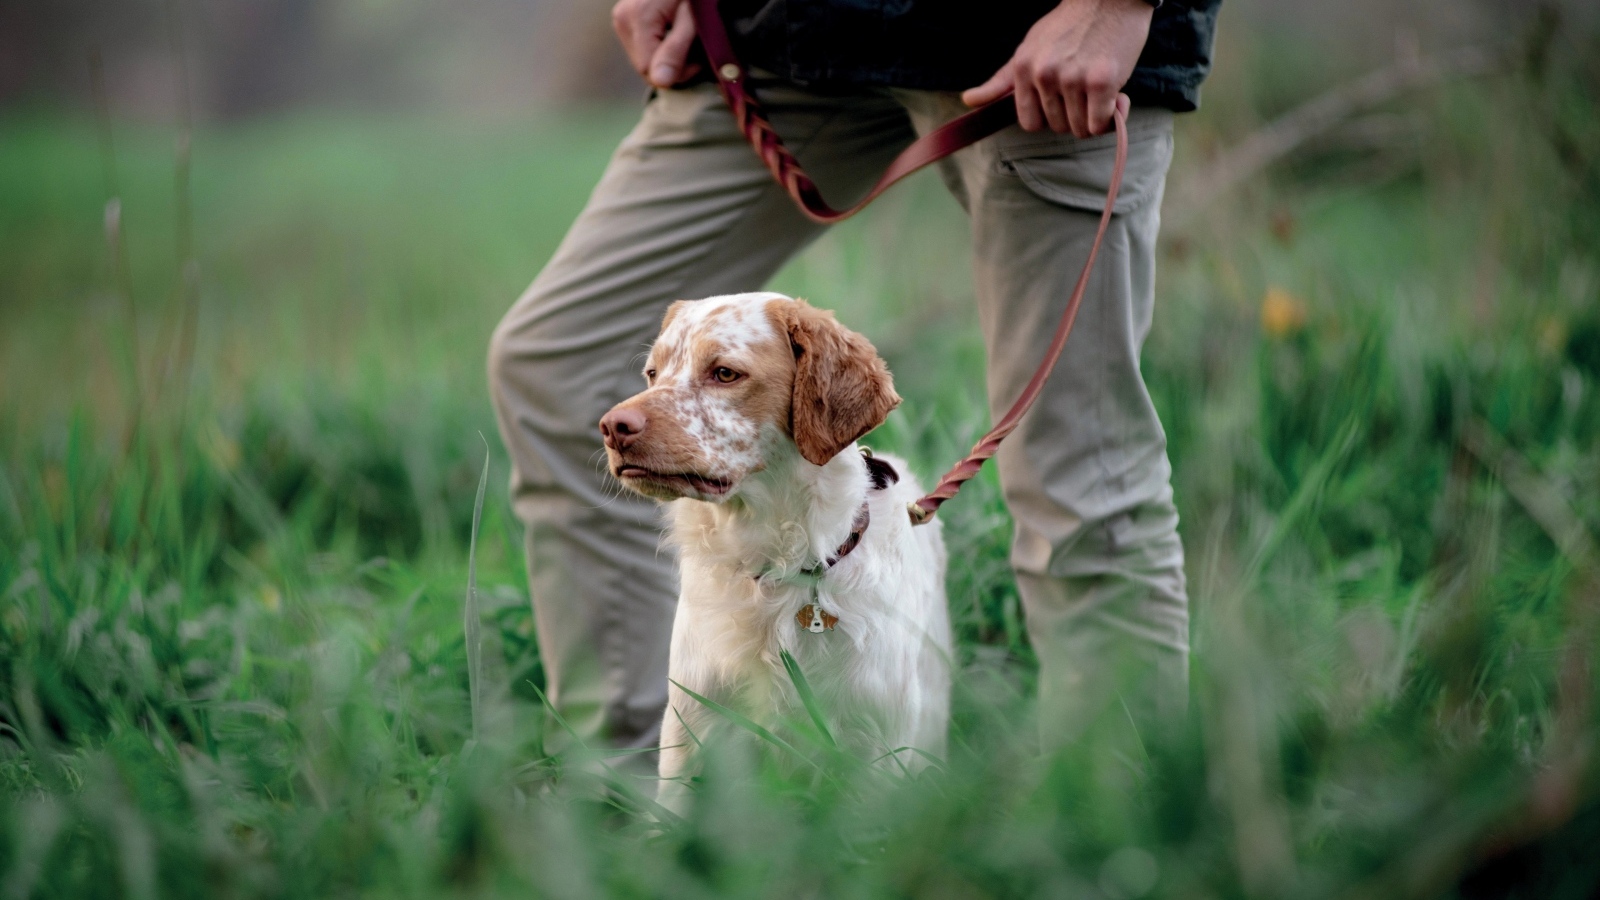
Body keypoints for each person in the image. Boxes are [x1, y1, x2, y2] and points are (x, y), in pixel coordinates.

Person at [489, 0, 1221, 756]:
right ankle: (635, 809)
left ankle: (1125, 835)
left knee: (1081, 461)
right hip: (778, 38)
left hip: (1038, 49)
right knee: (558, 360)